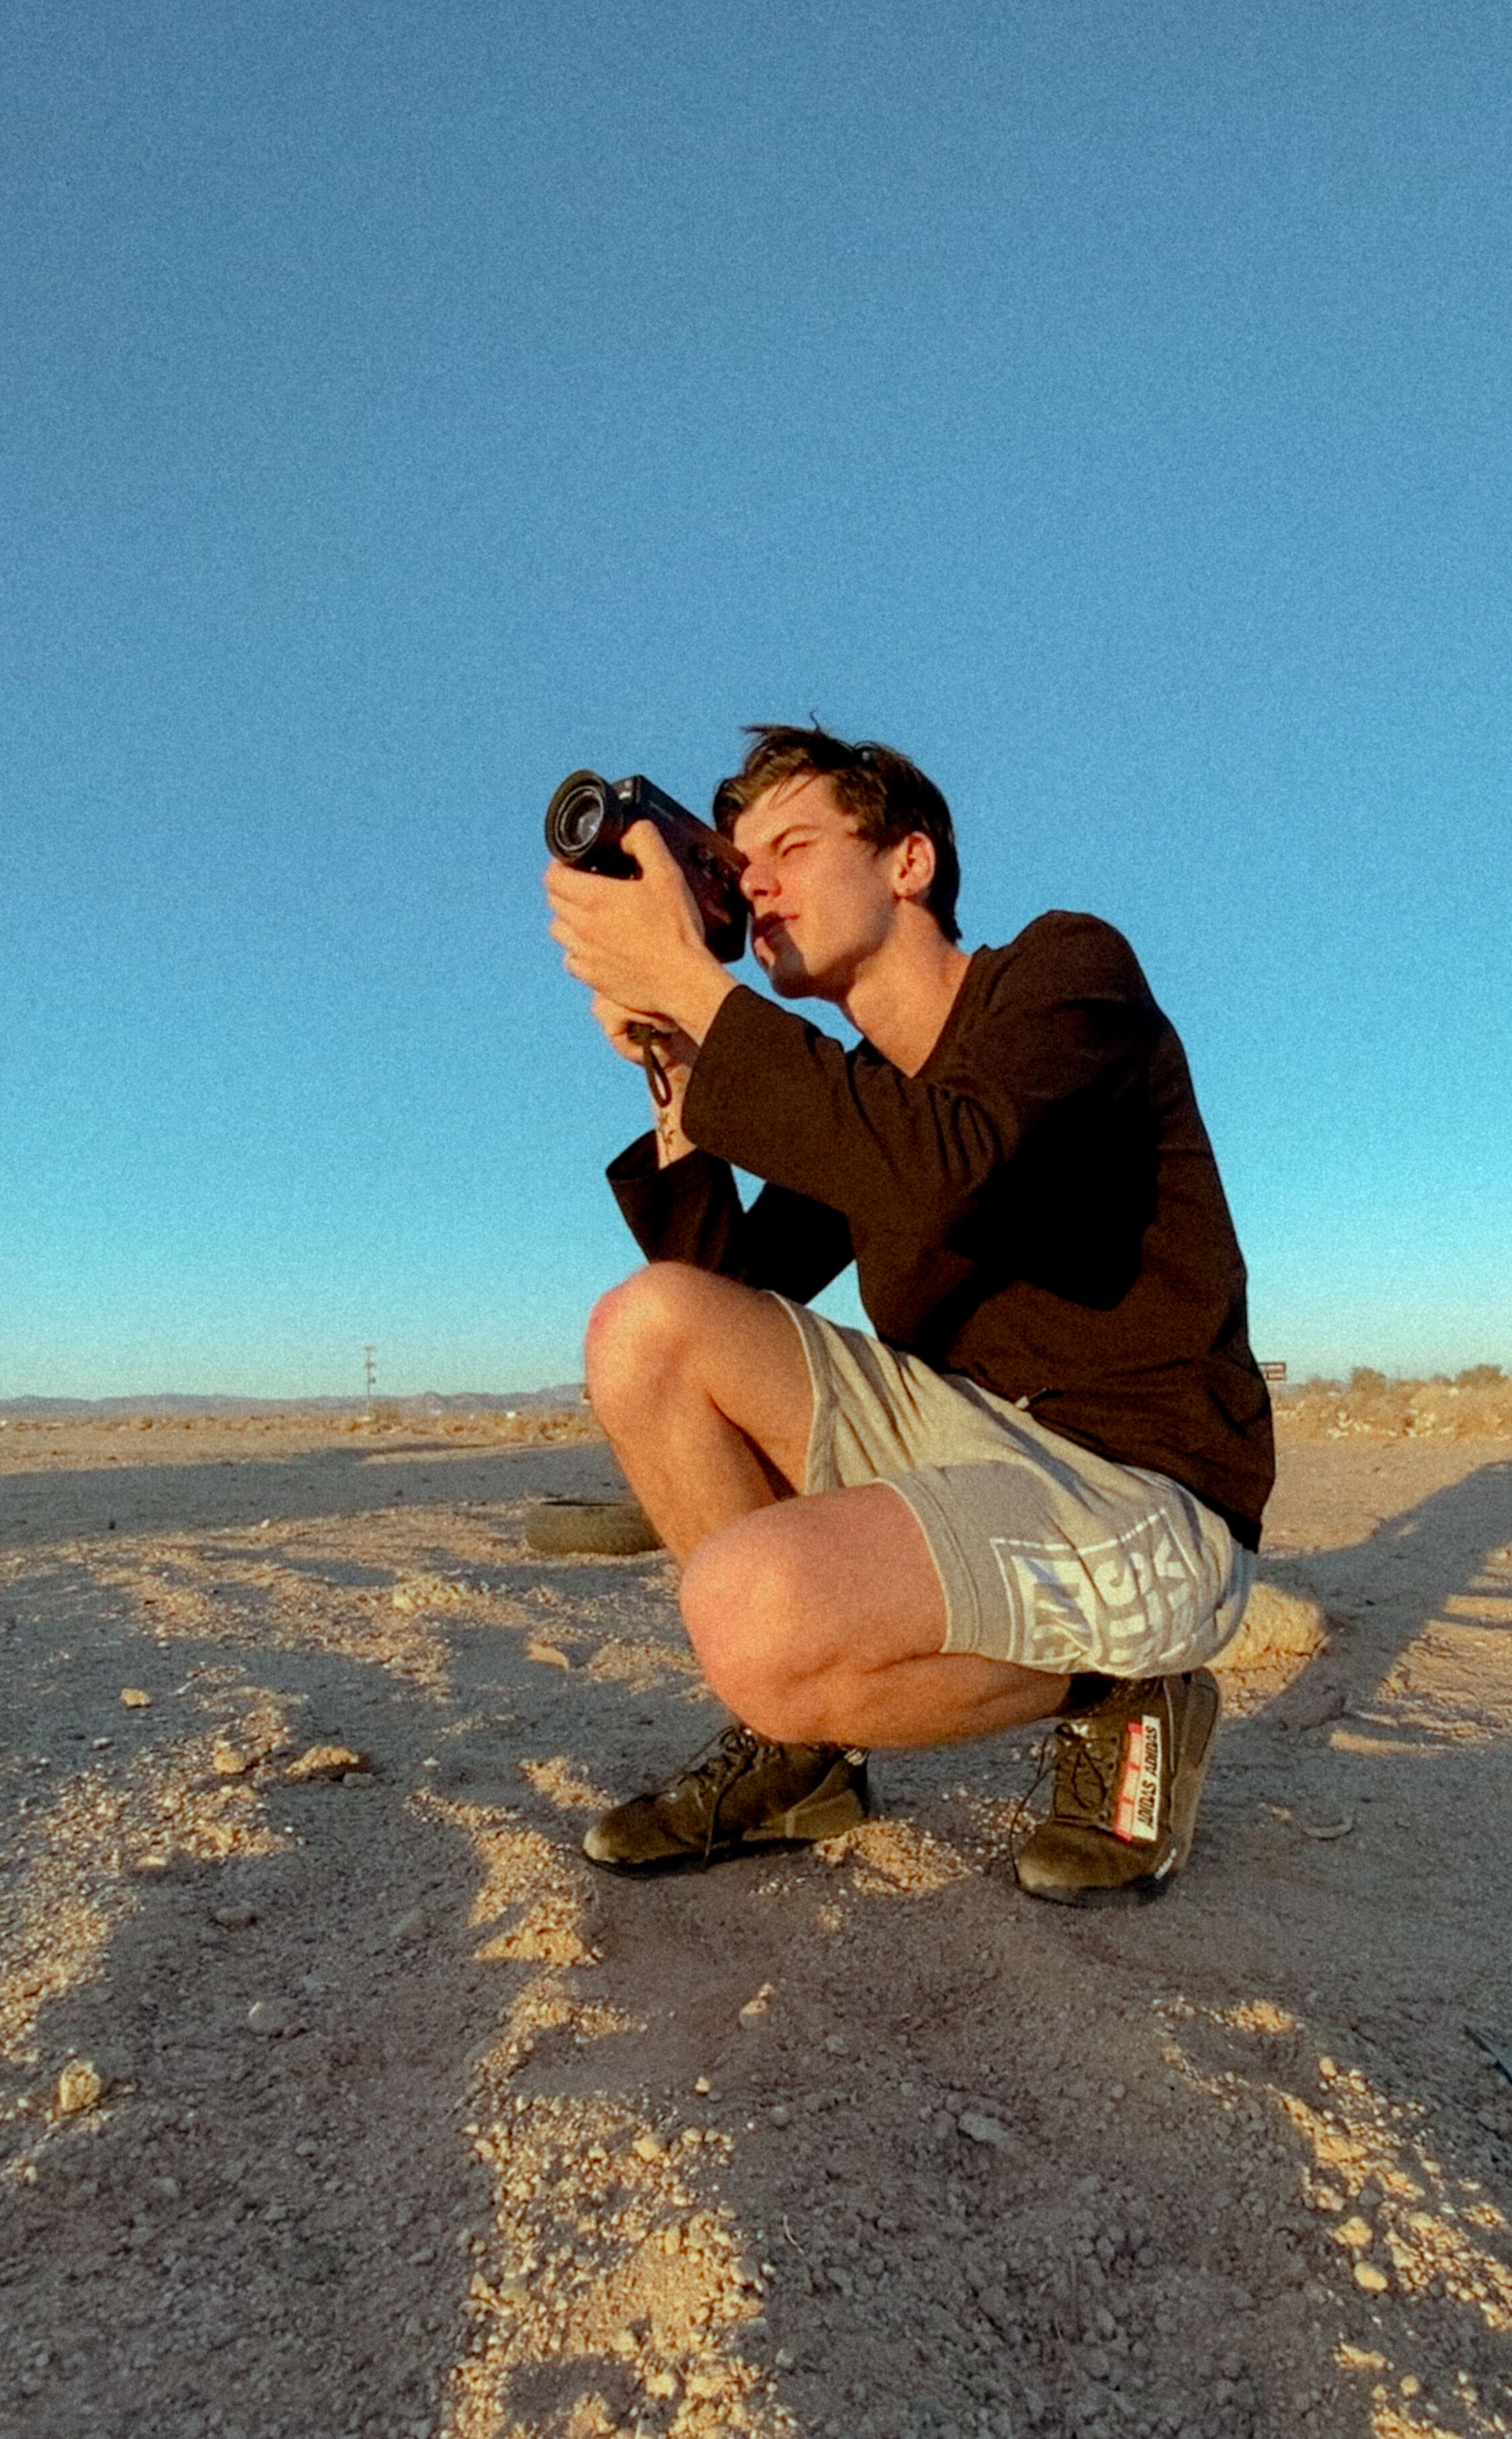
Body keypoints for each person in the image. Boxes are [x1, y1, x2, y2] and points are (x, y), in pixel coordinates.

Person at [544, 726, 1272, 1902]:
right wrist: (674, 1057)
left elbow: (952, 1168)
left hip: (1149, 1495)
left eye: (790, 846)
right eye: (737, 866)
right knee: (648, 1326)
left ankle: (1137, 1684)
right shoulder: (868, 1105)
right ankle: (803, 1759)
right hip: (978, 1463)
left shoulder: (1064, 975)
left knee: (749, 1616)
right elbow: (720, 1283)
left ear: (910, 864)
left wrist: (697, 980)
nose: (755, 882)